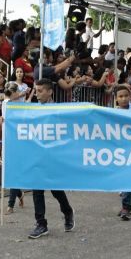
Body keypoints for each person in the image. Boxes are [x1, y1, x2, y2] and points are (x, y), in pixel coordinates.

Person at [28, 79, 75, 239]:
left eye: (40, 90)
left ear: (50, 92)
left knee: (56, 190)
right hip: (37, 156)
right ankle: (41, 223)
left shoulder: (59, 110)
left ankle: (67, 211)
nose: (37, 93)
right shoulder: (31, 110)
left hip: (53, 158)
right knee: (37, 190)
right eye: (36, 90)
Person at [113, 85, 131, 220]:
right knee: (122, 177)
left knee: (129, 177)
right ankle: (127, 206)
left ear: (130, 97)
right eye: (121, 96)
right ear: (116, 99)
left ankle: (125, 207)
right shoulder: (112, 114)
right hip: (119, 150)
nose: (124, 99)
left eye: (126, 96)